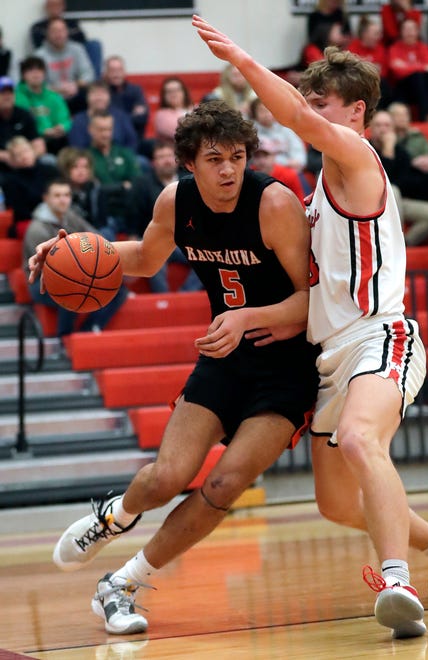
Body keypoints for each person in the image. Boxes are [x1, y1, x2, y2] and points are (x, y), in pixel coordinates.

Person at [193, 15, 428, 639]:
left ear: (356, 112)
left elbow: (296, 121)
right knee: (335, 503)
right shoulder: (314, 192)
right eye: (306, 100)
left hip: (382, 334)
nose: (308, 112)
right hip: (329, 354)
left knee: (361, 441)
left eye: (319, 102)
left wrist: (245, 63)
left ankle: (396, 578)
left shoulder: (357, 157)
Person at [28, 100, 320, 634]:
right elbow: (142, 259)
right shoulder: (176, 201)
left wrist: (250, 316)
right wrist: (73, 250)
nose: (228, 169)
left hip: (287, 366)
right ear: (190, 162)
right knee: (166, 478)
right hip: (225, 358)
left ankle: (123, 583)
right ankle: (113, 518)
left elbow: (317, 299)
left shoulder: (274, 204)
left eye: (236, 156)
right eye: (215, 158)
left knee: (226, 483)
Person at [24, 178, 128, 338]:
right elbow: (48, 269)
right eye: (57, 195)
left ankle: (88, 331)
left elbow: (97, 237)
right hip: (40, 282)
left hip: (75, 272)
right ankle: (63, 339)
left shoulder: (70, 216)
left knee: (118, 290)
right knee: (71, 288)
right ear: (46, 198)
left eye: (66, 195)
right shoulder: (37, 228)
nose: (63, 199)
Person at [127, 140, 201, 293]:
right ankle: (164, 298)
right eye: (161, 157)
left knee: (208, 257)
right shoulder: (142, 183)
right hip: (156, 239)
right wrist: (133, 236)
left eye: (169, 156)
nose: (166, 160)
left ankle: (185, 295)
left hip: (186, 241)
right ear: (154, 162)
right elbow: (134, 213)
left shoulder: (191, 179)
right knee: (154, 260)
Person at [368, 110, 428, 246]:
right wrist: (388, 151)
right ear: (371, 129)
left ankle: (404, 243)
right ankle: (394, 242)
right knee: (393, 189)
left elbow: (405, 181)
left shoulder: (401, 152)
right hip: (371, 202)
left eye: (387, 125)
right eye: (378, 125)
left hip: (398, 202)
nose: (383, 129)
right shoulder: (366, 148)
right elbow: (383, 182)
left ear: (393, 129)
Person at [86, 110, 140, 236]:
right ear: (90, 130)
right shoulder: (86, 157)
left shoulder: (124, 153)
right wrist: (122, 186)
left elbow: (137, 183)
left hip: (128, 213)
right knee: (104, 235)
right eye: (100, 130)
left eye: (108, 129)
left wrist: (109, 189)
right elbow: (95, 189)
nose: (105, 134)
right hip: (103, 217)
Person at [388, 18, 428, 122]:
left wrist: (406, 66)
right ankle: (426, 115)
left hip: (422, 84)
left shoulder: (423, 47)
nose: (409, 32)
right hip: (404, 87)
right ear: (401, 32)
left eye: (412, 29)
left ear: (417, 32)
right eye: (406, 29)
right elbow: (397, 70)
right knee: (418, 76)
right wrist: (420, 67)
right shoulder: (395, 48)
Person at [35, 17, 95, 115]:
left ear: (67, 32)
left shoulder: (77, 49)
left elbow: (89, 74)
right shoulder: (39, 56)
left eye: (62, 30)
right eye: (54, 31)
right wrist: (58, 89)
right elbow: (37, 85)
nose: (59, 35)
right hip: (52, 97)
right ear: (48, 34)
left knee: (90, 96)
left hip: (76, 93)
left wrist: (75, 84)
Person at [2, 136, 58, 238]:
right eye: (18, 155)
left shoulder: (50, 170)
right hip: (29, 220)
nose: (24, 156)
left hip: (57, 215)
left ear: (33, 150)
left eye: (25, 151)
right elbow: (21, 211)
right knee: (41, 230)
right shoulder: (10, 181)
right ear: (13, 160)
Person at [15, 55, 71, 156]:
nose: (36, 73)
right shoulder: (17, 97)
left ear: (44, 74)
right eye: (30, 70)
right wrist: (43, 131)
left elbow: (65, 118)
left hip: (56, 139)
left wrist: (62, 127)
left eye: (39, 69)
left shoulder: (53, 96)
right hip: (31, 142)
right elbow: (23, 123)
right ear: (23, 75)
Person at [56, 146, 110, 238]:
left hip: (94, 231)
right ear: (66, 169)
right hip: (70, 233)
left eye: (85, 167)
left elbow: (101, 221)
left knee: (107, 232)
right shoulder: (60, 191)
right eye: (75, 167)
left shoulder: (96, 188)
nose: (81, 171)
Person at [68, 81, 139, 151]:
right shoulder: (78, 120)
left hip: (121, 158)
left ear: (109, 96)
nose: (99, 98)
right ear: (87, 97)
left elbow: (132, 142)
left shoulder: (121, 116)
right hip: (89, 159)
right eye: (94, 93)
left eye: (103, 93)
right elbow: (77, 147)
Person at [249, 97, 307, 173]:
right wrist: (285, 163)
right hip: (262, 172)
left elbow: (299, 154)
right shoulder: (251, 132)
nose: (267, 114)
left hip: (291, 171)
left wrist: (295, 165)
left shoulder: (286, 128)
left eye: (270, 110)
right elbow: (255, 160)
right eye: (262, 111)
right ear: (254, 114)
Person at [0, 76, 46, 170]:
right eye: (3, 93)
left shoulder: (24, 114)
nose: (7, 96)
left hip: (26, 159)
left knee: (48, 160)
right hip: (3, 161)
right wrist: (7, 157)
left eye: (10, 92)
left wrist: (27, 155)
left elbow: (39, 144)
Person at [347, 16, 393, 110]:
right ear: (365, 34)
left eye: (380, 34)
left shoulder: (380, 49)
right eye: (376, 34)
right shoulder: (353, 48)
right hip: (358, 84)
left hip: (377, 83)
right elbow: (350, 70)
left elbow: (383, 72)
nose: (379, 37)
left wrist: (364, 67)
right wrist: (371, 68)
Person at [250, 137, 306, 205]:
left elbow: (300, 203)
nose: (262, 161)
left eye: (266, 155)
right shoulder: (248, 175)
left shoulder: (289, 175)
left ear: (274, 156)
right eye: (257, 156)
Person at [153, 76, 195, 143]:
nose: (173, 94)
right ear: (164, 95)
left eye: (177, 90)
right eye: (169, 91)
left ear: (184, 91)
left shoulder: (196, 108)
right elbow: (180, 133)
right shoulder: (161, 115)